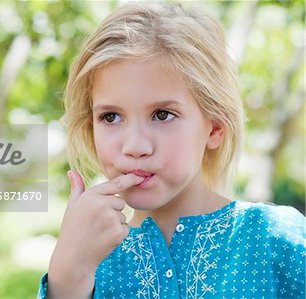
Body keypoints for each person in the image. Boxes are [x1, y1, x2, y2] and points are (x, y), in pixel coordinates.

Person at [37, 2, 306, 298]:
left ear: (214, 128)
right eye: (110, 117)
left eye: (162, 115)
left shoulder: (275, 238)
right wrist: (67, 277)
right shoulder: (88, 260)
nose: (135, 146)